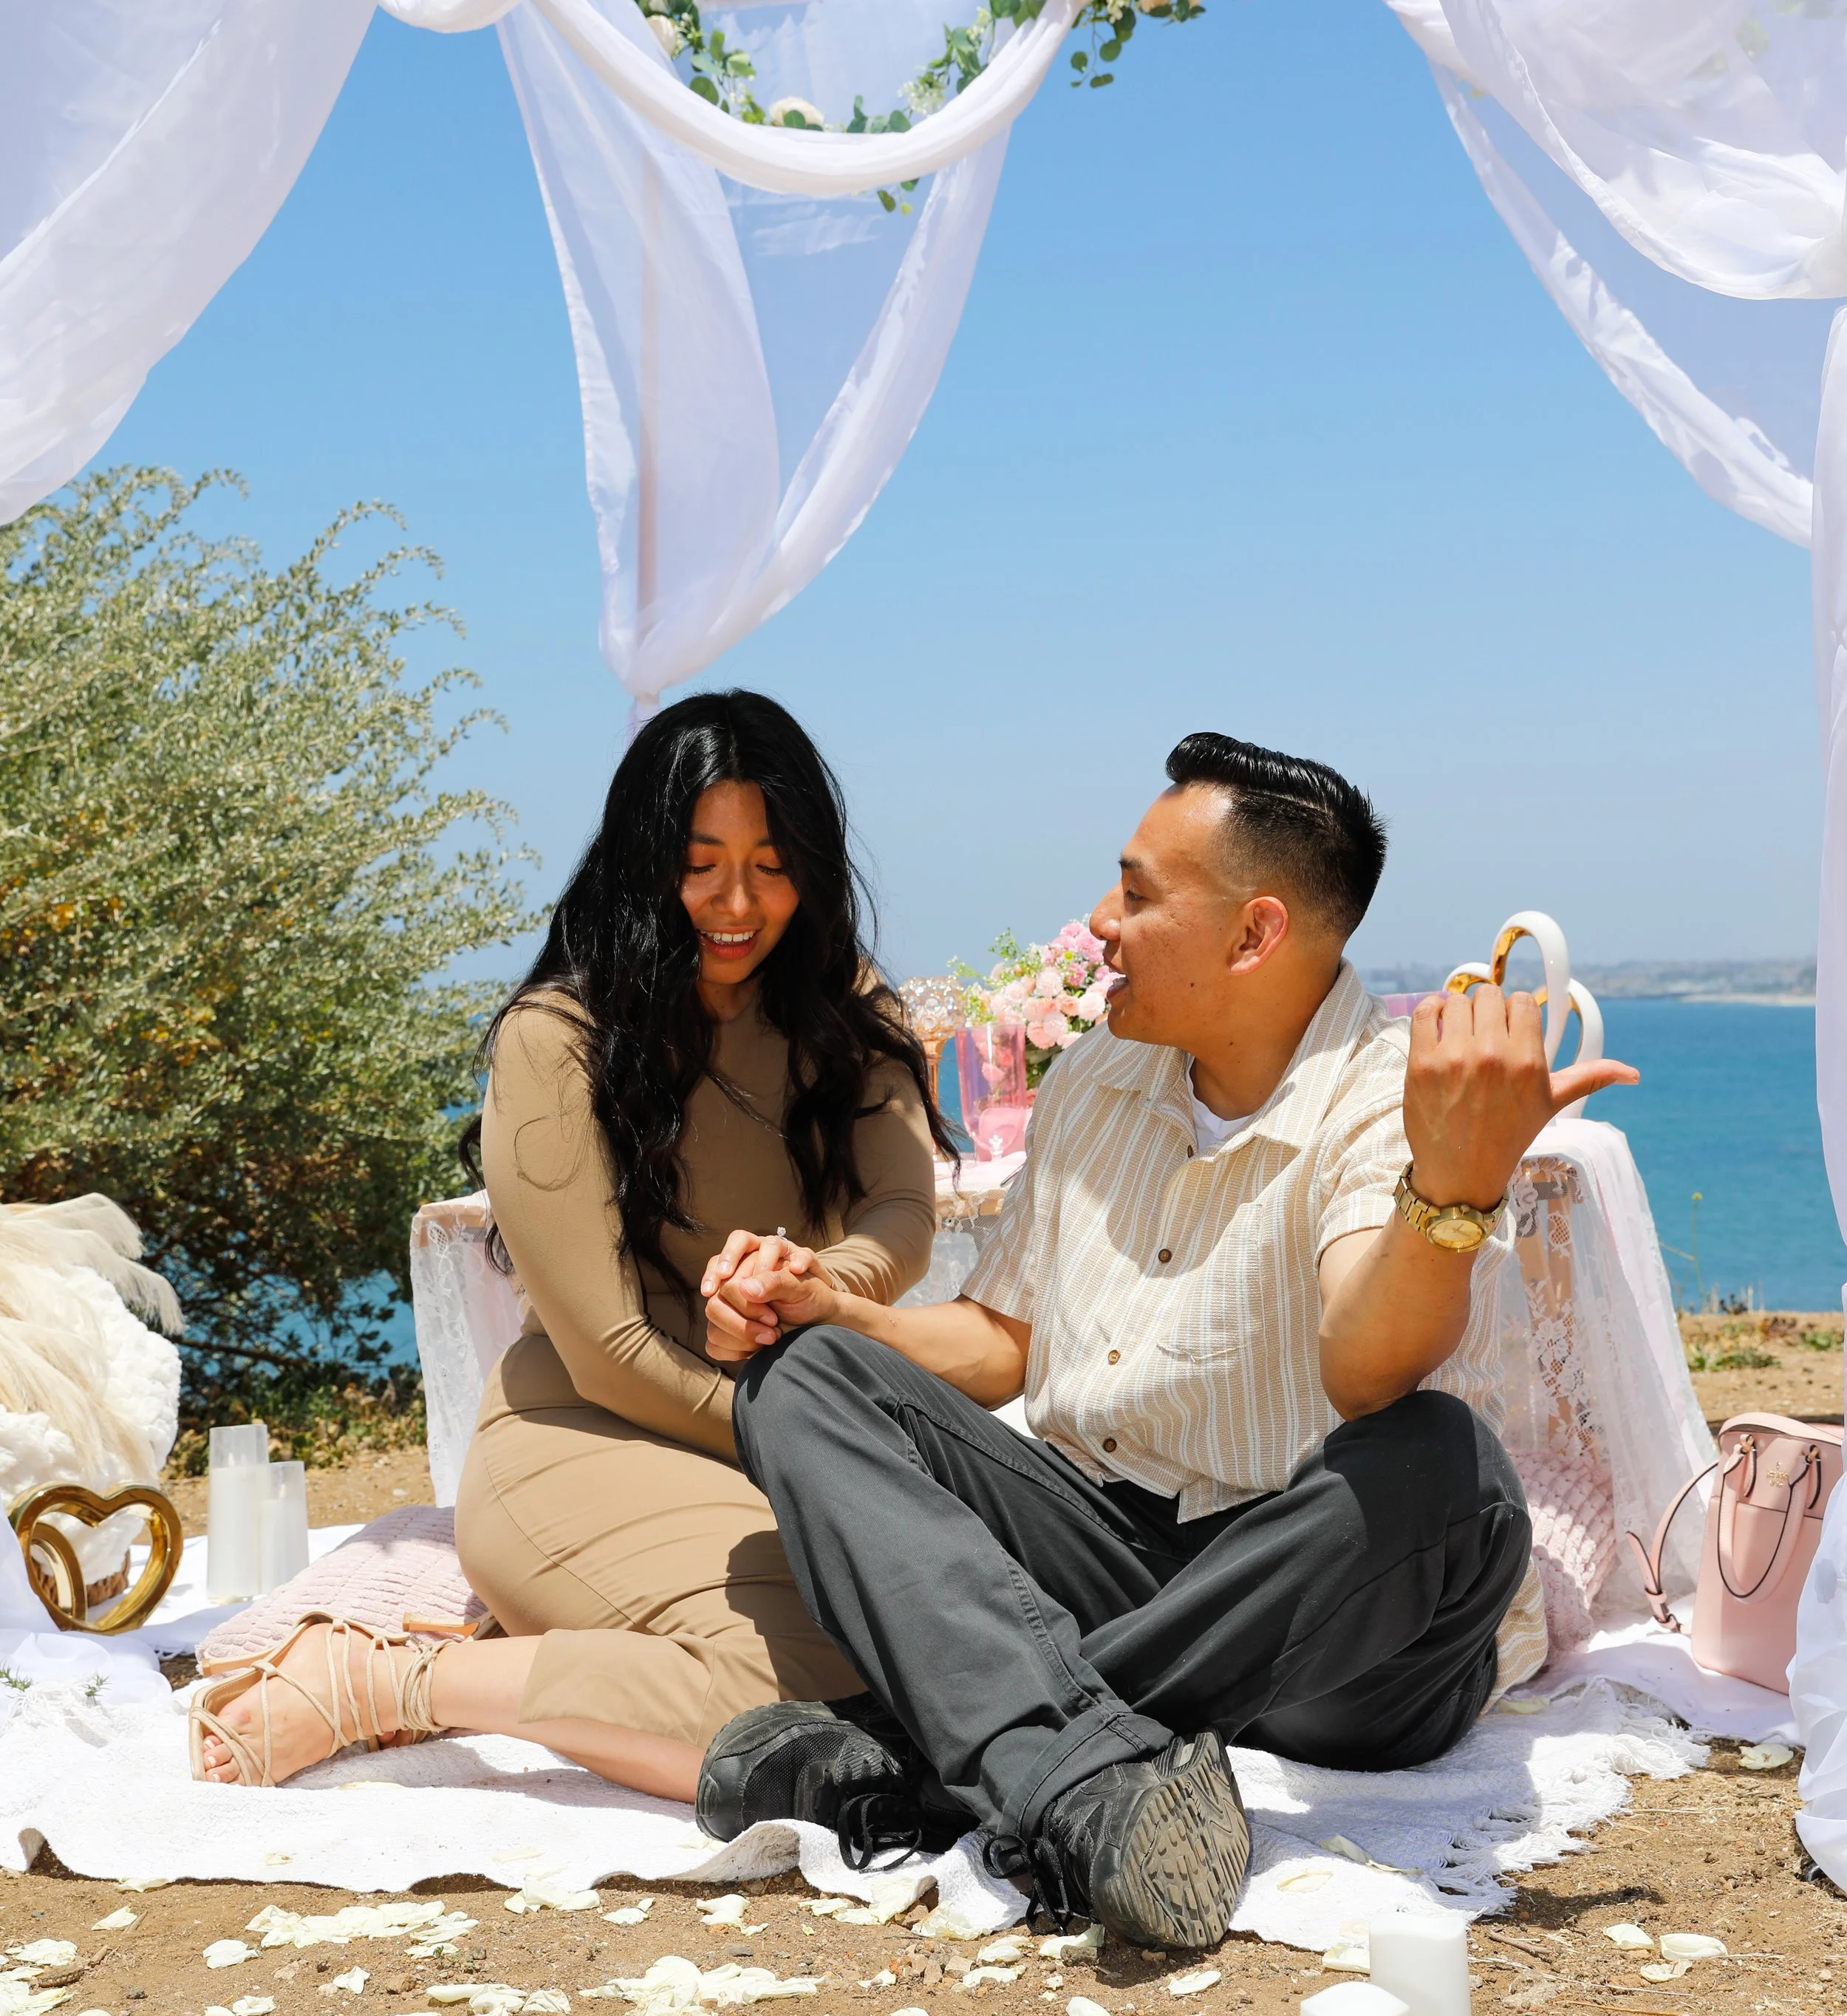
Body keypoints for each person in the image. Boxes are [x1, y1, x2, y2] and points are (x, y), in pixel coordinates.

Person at [692, 733, 1639, 1952]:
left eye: (1136, 893)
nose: (1099, 920)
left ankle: (930, 1765)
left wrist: (1450, 1188)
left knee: (1448, 1470)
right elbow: (1011, 1335)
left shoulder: (1385, 1091)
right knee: (801, 1377)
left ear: (1252, 935)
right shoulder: (1098, 1073)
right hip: (1113, 1550)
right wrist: (840, 1312)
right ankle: (1075, 1774)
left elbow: (1366, 1369)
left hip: (1331, 1615)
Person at [191, 691, 946, 1794]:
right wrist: (798, 1435)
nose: (739, 903)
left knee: (921, 1649)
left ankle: (516, 1654)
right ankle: (388, 1685)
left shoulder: (840, 1006)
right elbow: (605, 1352)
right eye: (701, 864)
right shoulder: (556, 1042)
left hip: (783, 1434)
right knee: (812, 1681)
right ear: (645, 861)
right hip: (586, 1433)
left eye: (772, 864)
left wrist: (820, 1280)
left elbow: (904, 1211)